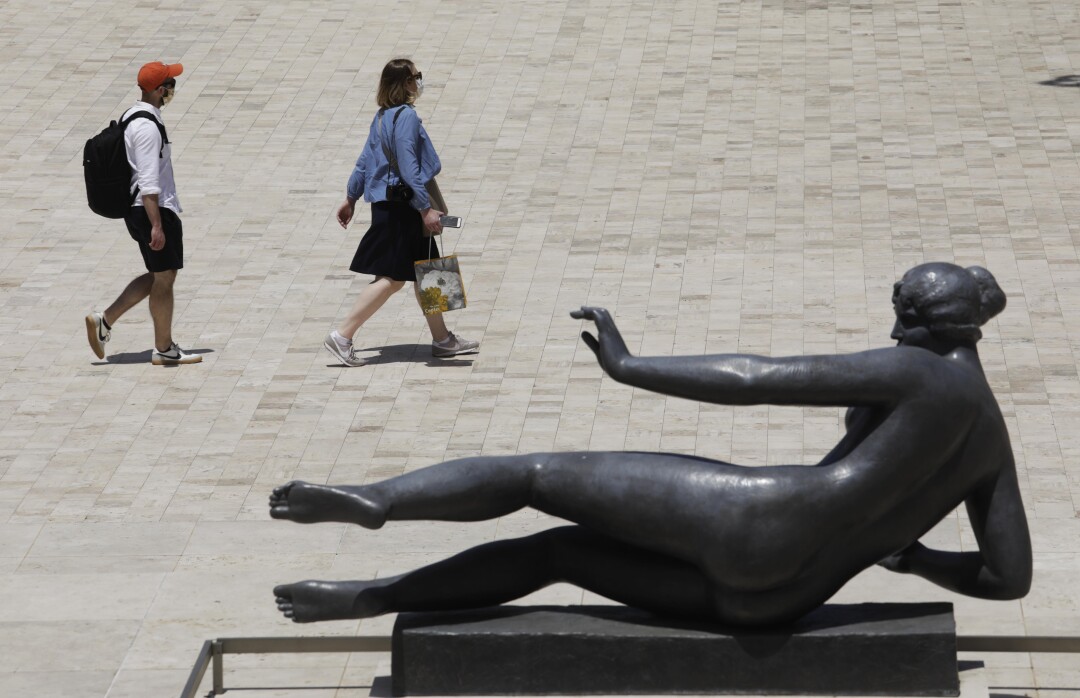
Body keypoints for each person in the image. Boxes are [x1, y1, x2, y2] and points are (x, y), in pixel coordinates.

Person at [270, 263, 1031, 626]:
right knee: (558, 556)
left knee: (533, 475)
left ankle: (379, 502)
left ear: (920, 322)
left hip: (754, 517)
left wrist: (632, 368)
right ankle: (371, 599)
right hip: (784, 598)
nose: (893, 328)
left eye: (899, 312)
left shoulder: (916, 369)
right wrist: (914, 558)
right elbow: (1007, 579)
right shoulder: (989, 434)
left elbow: (755, 377)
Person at [324, 58, 479, 366]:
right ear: (405, 84)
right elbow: (409, 166)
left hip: (389, 203)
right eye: (416, 77)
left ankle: (443, 340)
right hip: (403, 206)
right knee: (393, 279)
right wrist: (425, 209)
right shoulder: (406, 117)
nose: (419, 81)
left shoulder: (382, 117)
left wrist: (351, 196)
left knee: (431, 269)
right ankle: (342, 336)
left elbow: (364, 160)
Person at [85, 61, 201, 365]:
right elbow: (149, 181)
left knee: (161, 274)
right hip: (152, 210)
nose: (173, 88)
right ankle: (164, 347)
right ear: (160, 90)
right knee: (165, 278)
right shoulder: (147, 127)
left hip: (145, 209)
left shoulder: (134, 115)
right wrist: (157, 225)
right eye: (170, 83)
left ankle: (105, 320)